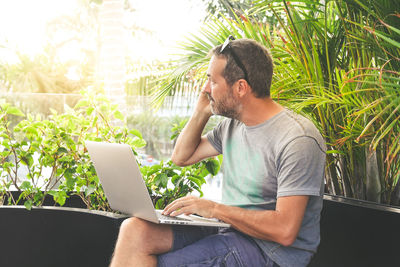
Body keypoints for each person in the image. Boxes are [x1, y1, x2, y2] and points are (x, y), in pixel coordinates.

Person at [110, 36, 326, 267]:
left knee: (162, 263)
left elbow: (285, 230)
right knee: (135, 230)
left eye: (212, 82)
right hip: (230, 228)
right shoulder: (233, 125)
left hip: (271, 252)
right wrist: (201, 112)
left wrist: (213, 208)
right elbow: (182, 157)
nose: (205, 90)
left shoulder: (297, 139)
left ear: (241, 87)